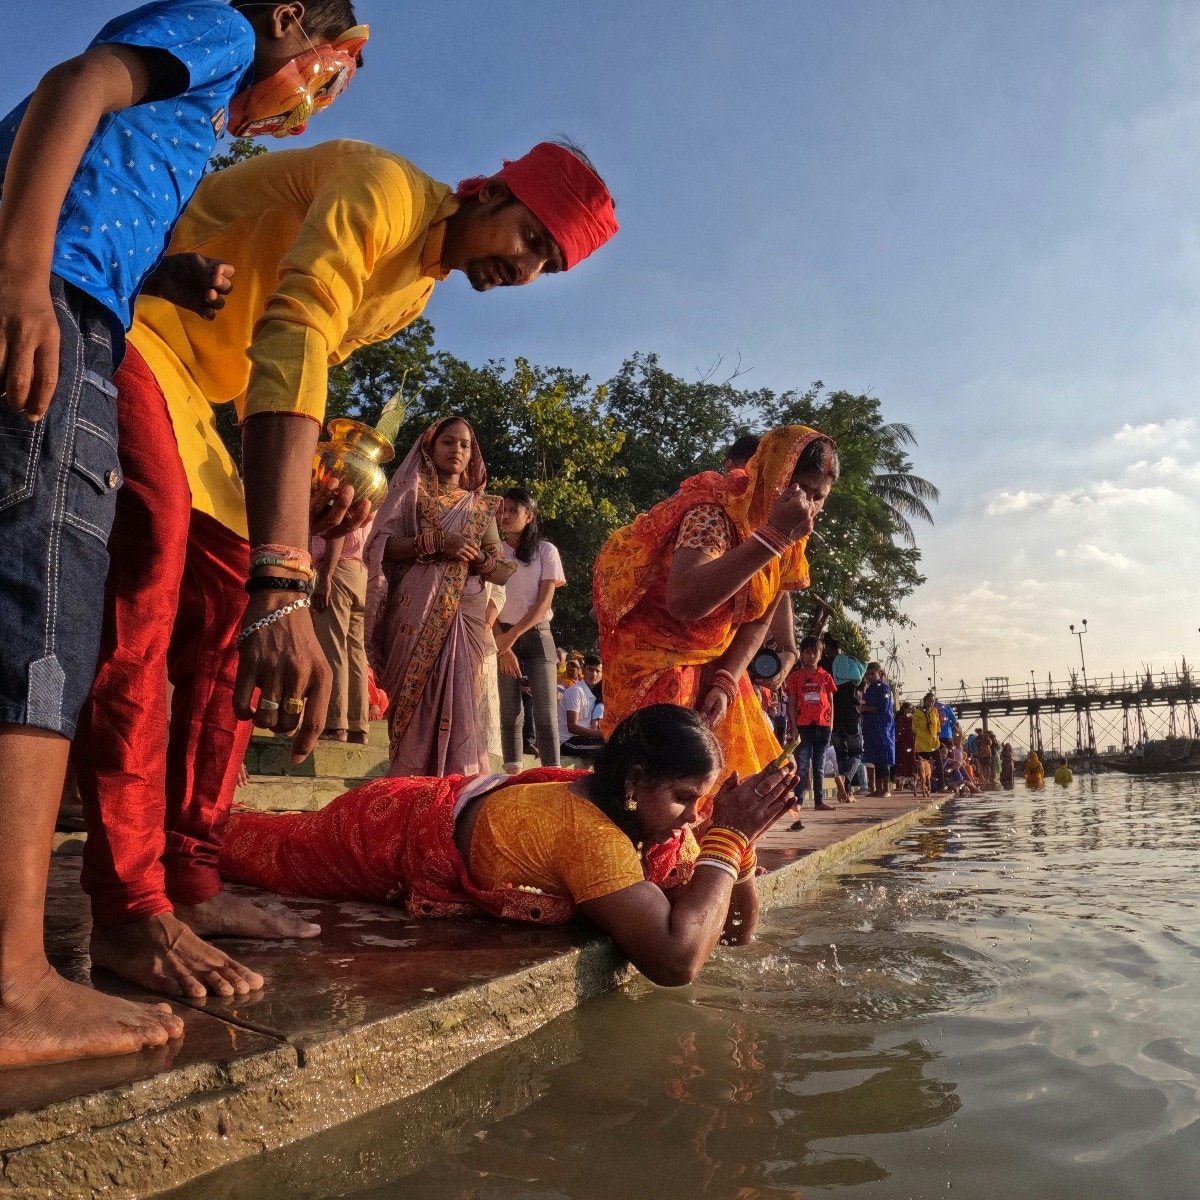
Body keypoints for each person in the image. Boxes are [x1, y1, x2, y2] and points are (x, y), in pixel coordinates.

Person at [71, 138, 618, 1001]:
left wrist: (296, 511)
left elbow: (266, 375)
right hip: (131, 329)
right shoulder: (384, 188)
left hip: (197, 403)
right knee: (157, 575)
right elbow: (291, 336)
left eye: (547, 264)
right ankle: (129, 906)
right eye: (530, 238)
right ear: (494, 191)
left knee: (230, 614)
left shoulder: (414, 289)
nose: (526, 268)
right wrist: (285, 569)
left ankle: (190, 875)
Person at [0, 0, 367, 1067]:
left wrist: (158, 273)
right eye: (323, 71)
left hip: (86, 294)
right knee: (46, 614)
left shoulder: (197, 121)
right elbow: (76, 85)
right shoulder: (224, 30)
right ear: (289, 20)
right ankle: (13, 984)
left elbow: (93, 163)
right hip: (59, 307)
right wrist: (23, 278)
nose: (311, 101)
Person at [220, 706, 797, 985]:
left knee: (260, 830)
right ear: (634, 782)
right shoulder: (590, 837)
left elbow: (733, 931)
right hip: (379, 833)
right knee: (242, 843)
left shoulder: (643, 820)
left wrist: (741, 848)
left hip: (440, 807)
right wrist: (729, 838)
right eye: (684, 798)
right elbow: (676, 960)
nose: (694, 818)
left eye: (704, 801)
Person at [595, 427, 838, 788]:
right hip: (658, 656)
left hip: (719, 659)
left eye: (819, 498)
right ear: (774, 477)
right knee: (666, 777)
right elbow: (684, 601)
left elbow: (759, 619)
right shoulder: (712, 510)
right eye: (802, 489)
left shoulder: (790, 537)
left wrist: (725, 681)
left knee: (740, 778)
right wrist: (771, 537)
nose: (808, 506)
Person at [365, 416, 514, 776]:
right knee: (411, 699)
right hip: (413, 610)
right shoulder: (411, 495)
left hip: (464, 614)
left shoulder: (481, 506)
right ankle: (408, 780)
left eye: (465, 445)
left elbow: (501, 570)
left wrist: (478, 558)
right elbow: (382, 547)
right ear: (430, 447)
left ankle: (454, 783)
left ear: (472, 454)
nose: (457, 450)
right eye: (448, 442)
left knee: (460, 695)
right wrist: (434, 542)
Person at [496, 488, 567, 771]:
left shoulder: (546, 551)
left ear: (530, 516)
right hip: (500, 634)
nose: (506, 515)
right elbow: (485, 601)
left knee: (545, 713)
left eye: (513, 510)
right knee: (509, 712)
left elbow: (543, 603)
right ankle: (512, 774)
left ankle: (552, 775)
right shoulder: (494, 551)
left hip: (537, 634)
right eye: (503, 509)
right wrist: (502, 645)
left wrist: (511, 638)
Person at [311, 518, 374, 744]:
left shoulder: (346, 492)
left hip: (337, 569)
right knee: (356, 654)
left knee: (333, 648)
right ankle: (358, 726)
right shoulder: (373, 498)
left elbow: (337, 533)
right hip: (360, 573)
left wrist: (325, 577)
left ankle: (334, 723)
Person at [784, 636, 837, 826]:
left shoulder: (825, 676)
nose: (811, 656)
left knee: (820, 765)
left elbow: (830, 701)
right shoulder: (795, 677)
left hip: (823, 725)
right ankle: (798, 800)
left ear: (820, 654)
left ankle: (819, 801)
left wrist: (830, 724)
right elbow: (792, 703)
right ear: (801, 654)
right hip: (803, 725)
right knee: (803, 764)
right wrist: (793, 727)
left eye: (815, 652)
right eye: (807, 652)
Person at [824, 635, 867, 803]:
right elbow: (862, 684)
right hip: (851, 714)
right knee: (856, 753)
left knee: (841, 754)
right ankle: (845, 778)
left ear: (826, 646)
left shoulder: (824, 665)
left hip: (834, 715)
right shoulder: (853, 664)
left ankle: (847, 793)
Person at [559, 655, 606, 760]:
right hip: (568, 742)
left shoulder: (598, 694)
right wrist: (602, 734)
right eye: (590, 669)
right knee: (610, 747)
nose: (594, 674)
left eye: (598, 671)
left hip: (586, 739)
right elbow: (572, 727)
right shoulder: (576, 691)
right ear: (583, 670)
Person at [861, 662, 895, 797]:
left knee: (883, 757)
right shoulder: (869, 688)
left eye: (872, 673)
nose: (870, 676)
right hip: (870, 726)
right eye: (868, 674)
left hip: (882, 726)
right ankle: (877, 788)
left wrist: (864, 709)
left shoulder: (884, 688)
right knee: (874, 757)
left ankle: (886, 789)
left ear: (879, 674)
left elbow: (882, 707)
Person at [913, 693, 942, 793]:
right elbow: (914, 728)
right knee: (923, 768)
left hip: (934, 742)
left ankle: (941, 787)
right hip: (922, 743)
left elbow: (938, 725)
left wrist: (937, 735)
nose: (931, 703)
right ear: (924, 701)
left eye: (932, 701)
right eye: (929, 701)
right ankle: (924, 788)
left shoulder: (935, 711)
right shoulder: (918, 712)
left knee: (939, 765)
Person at [894, 701, 918, 793]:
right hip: (902, 742)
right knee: (902, 763)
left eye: (911, 709)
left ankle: (913, 784)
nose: (910, 711)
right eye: (908, 709)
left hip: (912, 742)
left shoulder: (914, 718)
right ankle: (901, 784)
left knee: (912, 763)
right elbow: (898, 730)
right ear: (904, 709)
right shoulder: (899, 718)